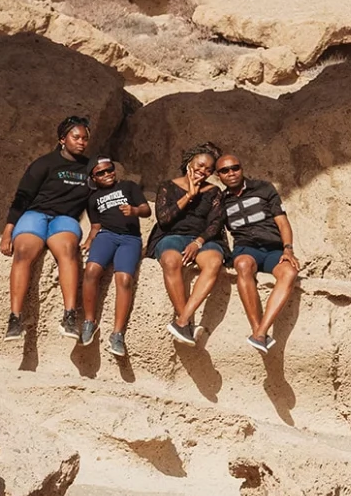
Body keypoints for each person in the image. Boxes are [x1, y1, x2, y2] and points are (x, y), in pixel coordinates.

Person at [0, 115, 93, 340]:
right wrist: (8, 230)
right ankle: (14, 318)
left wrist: (95, 232)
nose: (81, 142)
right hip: (36, 215)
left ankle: (69, 316)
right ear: (63, 139)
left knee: (68, 251)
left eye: (85, 138)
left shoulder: (89, 168)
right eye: (76, 137)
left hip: (65, 219)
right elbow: (22, 197)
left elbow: (96, 201)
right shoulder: (44, 163)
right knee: (23, 252)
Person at [215, 153, 299, 354]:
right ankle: (257, 330)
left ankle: (260, 332)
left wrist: (288, 248)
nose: (231, 173)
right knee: (243, 265)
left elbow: (282, 222)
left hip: (272, 249)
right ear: (219, 175)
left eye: (235, 168)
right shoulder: (221, 200)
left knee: (289, 272)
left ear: (241, 168)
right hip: (246, 249)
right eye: (225, 171)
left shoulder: (264, 188)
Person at [146, 142, 226, 345]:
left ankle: (182, 321)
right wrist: (190, 195)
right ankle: (187, 324)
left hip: (203, 239)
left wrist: (198, 242)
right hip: (172, 236)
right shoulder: (167, 186)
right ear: (189, 162)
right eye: (200, 166)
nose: (203, 171)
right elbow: (164, 219)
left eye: (209, 169)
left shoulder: (214, 191)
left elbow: (216, 222)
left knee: (214, 262)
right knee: (171, 260)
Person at [80, 159, 151, 357]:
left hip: (130, 238)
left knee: (125, 279)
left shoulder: (128, 187)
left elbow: (146, 210)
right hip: (107, 235)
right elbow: (95, 226)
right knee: (92, 270)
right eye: (101, 173)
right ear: (94, 178)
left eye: (109, 170)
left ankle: (117, 334)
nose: (107, 174)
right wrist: (89, 241)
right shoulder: (93, 198)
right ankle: (89, 322)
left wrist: (134, 210)